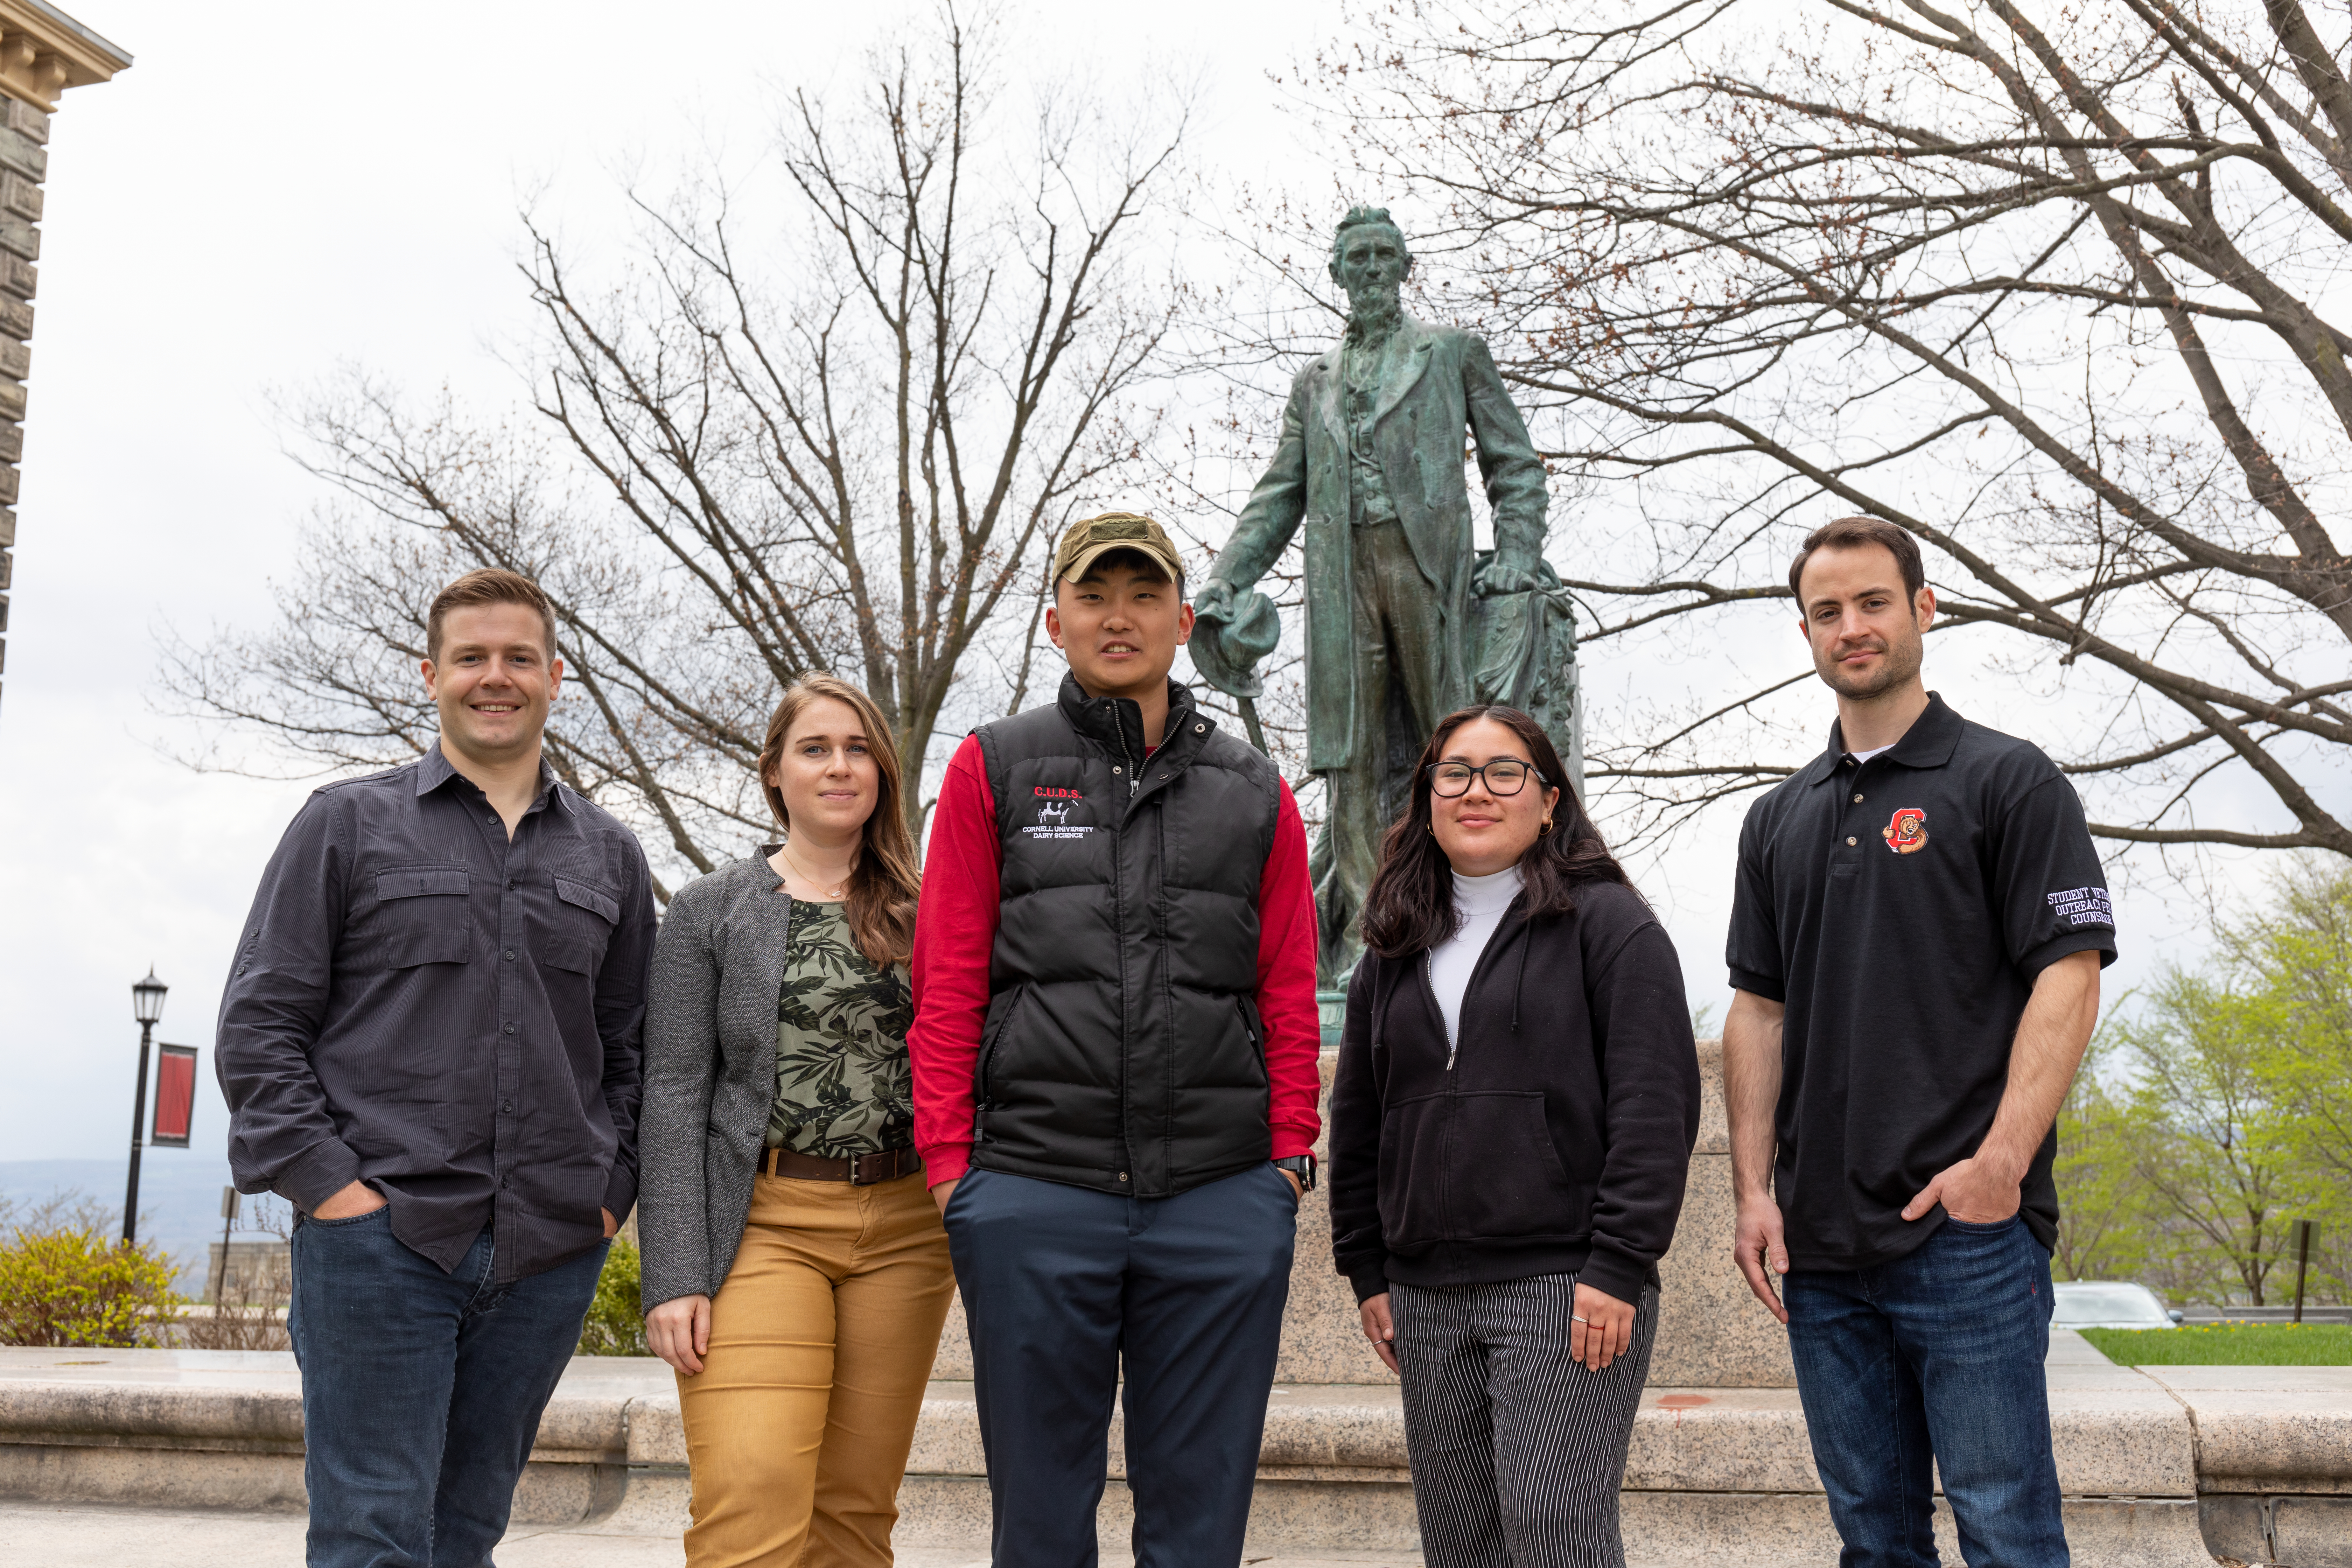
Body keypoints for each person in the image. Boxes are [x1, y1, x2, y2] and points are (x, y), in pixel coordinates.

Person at [217, 567, 656, 1568]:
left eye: (516, 658)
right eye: (470, 658)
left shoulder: (612, 857)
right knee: (373, 1534)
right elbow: (261, 1023)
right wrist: (333, 1191)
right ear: (431, 675)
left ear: (555, 675)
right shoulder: (345, 825)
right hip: (383, 1243)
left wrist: (608, 1196)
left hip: (549, 1247)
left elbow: (631, 1049)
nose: (493, 677)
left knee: (466, 1535)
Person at [907, 511, 1322, 1567]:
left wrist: (1285, 1156)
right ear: (1056, 623)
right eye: (1095, 596)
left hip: (1221, 1196)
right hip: (1035, 1192)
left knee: (1200, 1518)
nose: (1119, 617)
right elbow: (948, 977)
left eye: (1144, 596)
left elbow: (1286, 983)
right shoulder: (991, 769)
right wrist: (956, 1167)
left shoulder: (1256, 790)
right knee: (1041, 1523)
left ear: (1184, 620)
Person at [1725, 516, 2115, 1568]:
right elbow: (1758, 1010)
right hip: (1818, 1247)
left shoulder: (2010, 781)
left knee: (2008, 1533)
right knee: (1875, 1543)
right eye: (1827, 612)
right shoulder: (1777, 818)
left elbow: (2068, 977)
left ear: (1924, 609)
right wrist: (1753, 1192)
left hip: (1966, 1238)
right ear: (1806, 633)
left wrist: (2000, 1166)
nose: (1852, 627)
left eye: (1873, 603)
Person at [1329, 704, 1700, 1568]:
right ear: (1427, 797)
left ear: (1549, 799)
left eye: (1505, 772)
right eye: (1454, 773)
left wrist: (1617, 1264)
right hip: (1422, 1292)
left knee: (1553, 1536)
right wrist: (1367, 1268)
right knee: (1462, 1548)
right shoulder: (1393, 946)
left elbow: (1655, 1106)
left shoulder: (1611, 927)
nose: (1478, 791)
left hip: (1564, 1283)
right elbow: (1358, 1121)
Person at [636, 674, 951, 1567]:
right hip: (763, 1224)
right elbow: (673, 1089)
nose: (839, 766)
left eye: (858, 749)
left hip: (907, 1233)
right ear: (775, 771)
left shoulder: (930, 907)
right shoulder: (712, 909)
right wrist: (674, 1270)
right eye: (815, 749)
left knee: (854, 1518)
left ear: (884, 772)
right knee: (751, 1500)